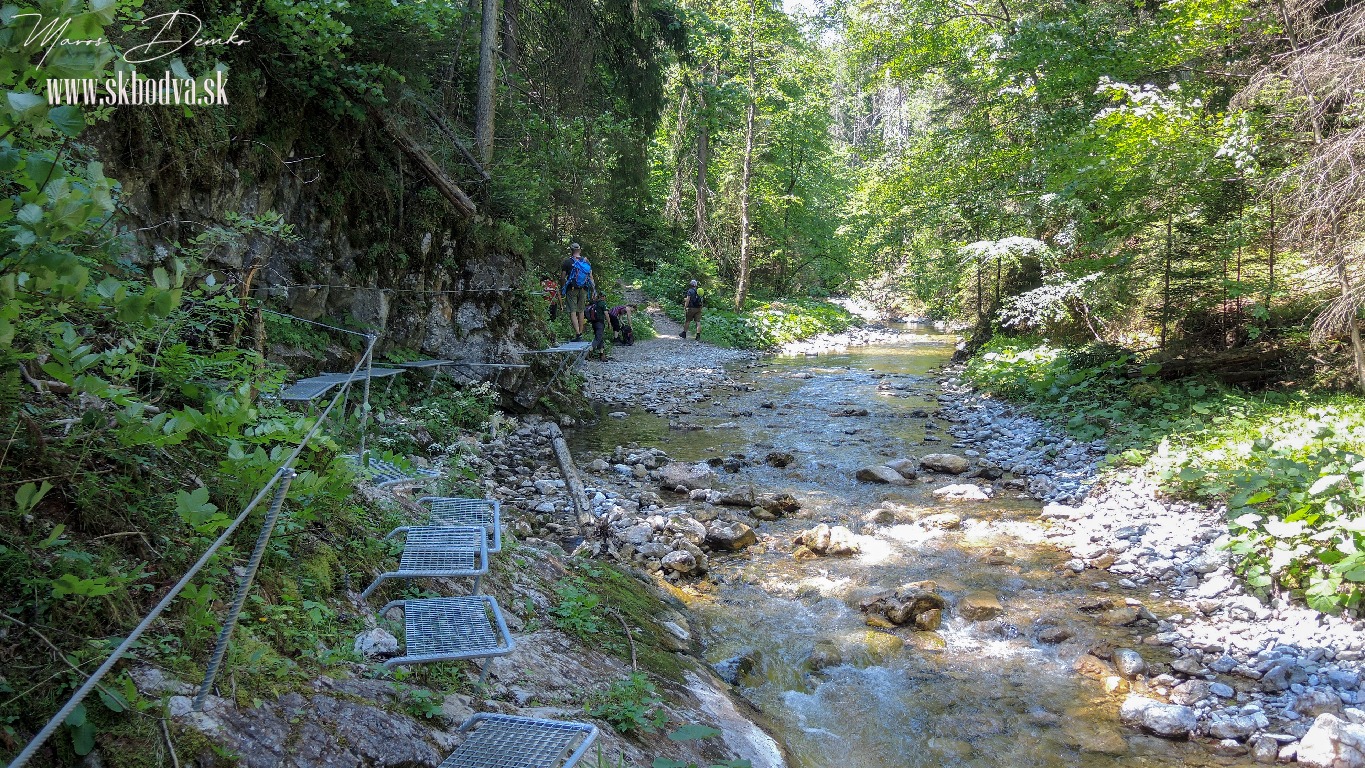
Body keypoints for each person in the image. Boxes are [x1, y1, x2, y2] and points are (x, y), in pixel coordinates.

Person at [562, 243, 595, 340]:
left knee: (572, 311)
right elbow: (591, 277)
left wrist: (563, 288)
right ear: (580, 250)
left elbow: (562, 277)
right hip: (583, 289)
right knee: (581, 311)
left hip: (571, 289)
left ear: (571, 250)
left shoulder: (567, 262)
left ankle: (578, 334)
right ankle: (581, 332)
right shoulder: (586, 261)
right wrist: (594, 290)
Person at [585, 293, 609, 360]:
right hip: (600, 323)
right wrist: (609, 323)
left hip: (594, 323)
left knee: (600, 338)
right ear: (603, 297)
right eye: (604, 296)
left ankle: (602, 354)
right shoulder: (602, 303)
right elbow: (606, 313)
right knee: (598, 338)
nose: (604, 297)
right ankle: (588, 351)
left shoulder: (594, 303)